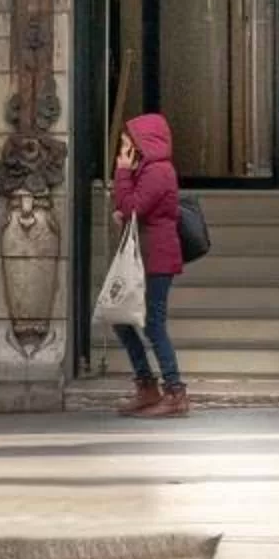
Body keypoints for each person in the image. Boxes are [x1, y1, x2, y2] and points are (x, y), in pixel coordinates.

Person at [111, 110, 188, 418]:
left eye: (127, 141)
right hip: (145, 256)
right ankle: (146, 386)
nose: (124, 148)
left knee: (153, 324)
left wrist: (122, 170)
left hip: (156, 257)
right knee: (121, 319)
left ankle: (174, 391)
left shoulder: (158, 171)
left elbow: (130, 208)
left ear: (143, 141)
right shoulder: (148, 169)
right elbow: (129, 207)